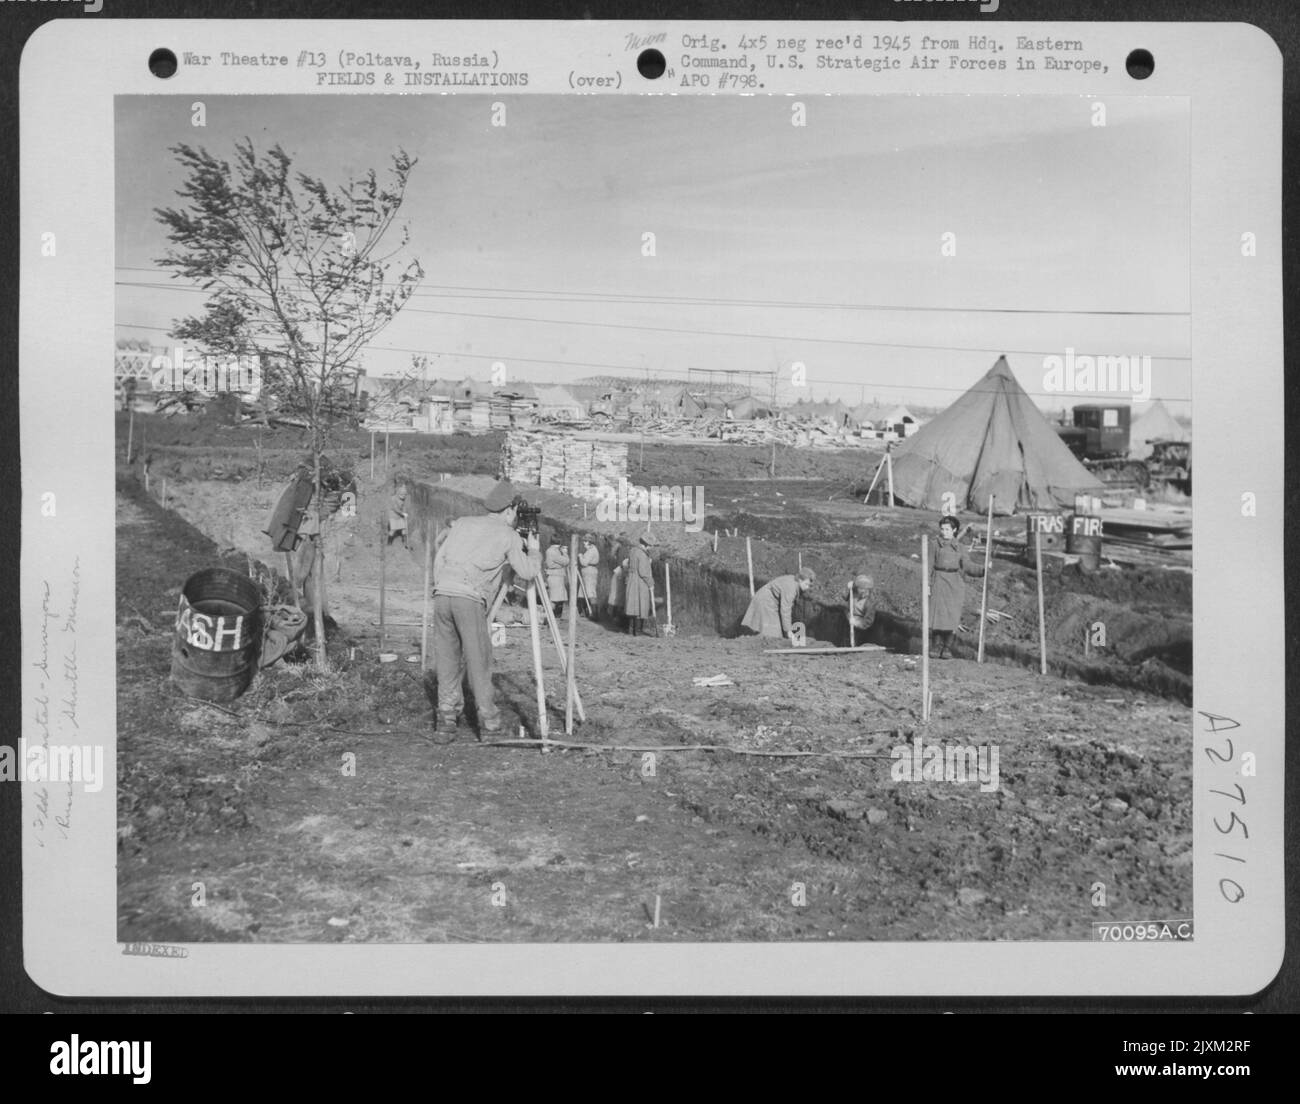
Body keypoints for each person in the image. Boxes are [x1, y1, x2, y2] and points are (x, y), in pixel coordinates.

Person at [431, 481, 541, 736]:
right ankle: (489, 722)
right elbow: (526, 571)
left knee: (447, 660)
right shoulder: (508, 535)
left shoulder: (462, 523)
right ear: (510, 510)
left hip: (442, 594)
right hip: (468, 600)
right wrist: (534, 551)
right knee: (479, 661)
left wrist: (441, 587)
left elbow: (440, 556)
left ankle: (446, 720)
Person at [929, 515, 984, 659]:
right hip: (938, 581)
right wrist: (927, 584)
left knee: (951, 617)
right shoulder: (934, 544)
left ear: (954, 530)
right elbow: (928, 565)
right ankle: (935, 647)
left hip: (955, 584)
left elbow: (967, 566)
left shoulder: (960, 548)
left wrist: (983, 570)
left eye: (947, 529)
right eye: (942, 529)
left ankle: (947, 648)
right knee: (937, 616)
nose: (943, 532)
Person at [741, 567, 815, 638]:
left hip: (770, 602)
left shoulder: (794, 583)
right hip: (765, 602)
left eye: (809, 585)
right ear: (800, 580)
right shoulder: (791, 588)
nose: (807, 587)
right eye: (806, 584)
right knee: (773, 633)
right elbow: (785, 610)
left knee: (776, 633)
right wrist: (788, 631)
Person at [624, 533, 655, 636]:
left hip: (632, 580)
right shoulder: (642, 554)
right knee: (641, 605)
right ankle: (638, 631)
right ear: (645, 544)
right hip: (640, 582)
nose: (651, 548)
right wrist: (650, 583)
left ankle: (630, 629)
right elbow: (643, 572)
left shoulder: (633, 551)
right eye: (650, 545)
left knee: (633, 606)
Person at [544, 539, 570, 618]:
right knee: (555, 598)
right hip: (555, 575)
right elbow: (566, 561)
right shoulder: (553, 551)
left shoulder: (553, 550)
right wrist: (565, 553)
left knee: (558, 597)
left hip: (556, 575)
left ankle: (555, 616)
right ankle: (552, 616)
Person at [578, 537, 601, 618]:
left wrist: (580, 556)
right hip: (587, 573)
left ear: (589, 542)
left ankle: (594, 613)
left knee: (590, 592)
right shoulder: (590, 550)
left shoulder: (592, 551)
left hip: (589, 573)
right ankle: (583, 611)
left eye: (585, 541)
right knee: (582, 592)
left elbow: (584, 563)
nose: (584, 543)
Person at [388, 481, 409, 548]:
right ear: (398, 493)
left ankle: (404, 541)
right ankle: (389, 542)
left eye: (404, 495)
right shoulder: (393, 498)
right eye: (402, 495)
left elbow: (404, 506)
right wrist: (403, 514)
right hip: (393, 516)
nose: (403, 496)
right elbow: (395, 508)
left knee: (403, 528)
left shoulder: (403, 498)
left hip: (400, 515)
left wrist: (405, 513)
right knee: (393, 529)